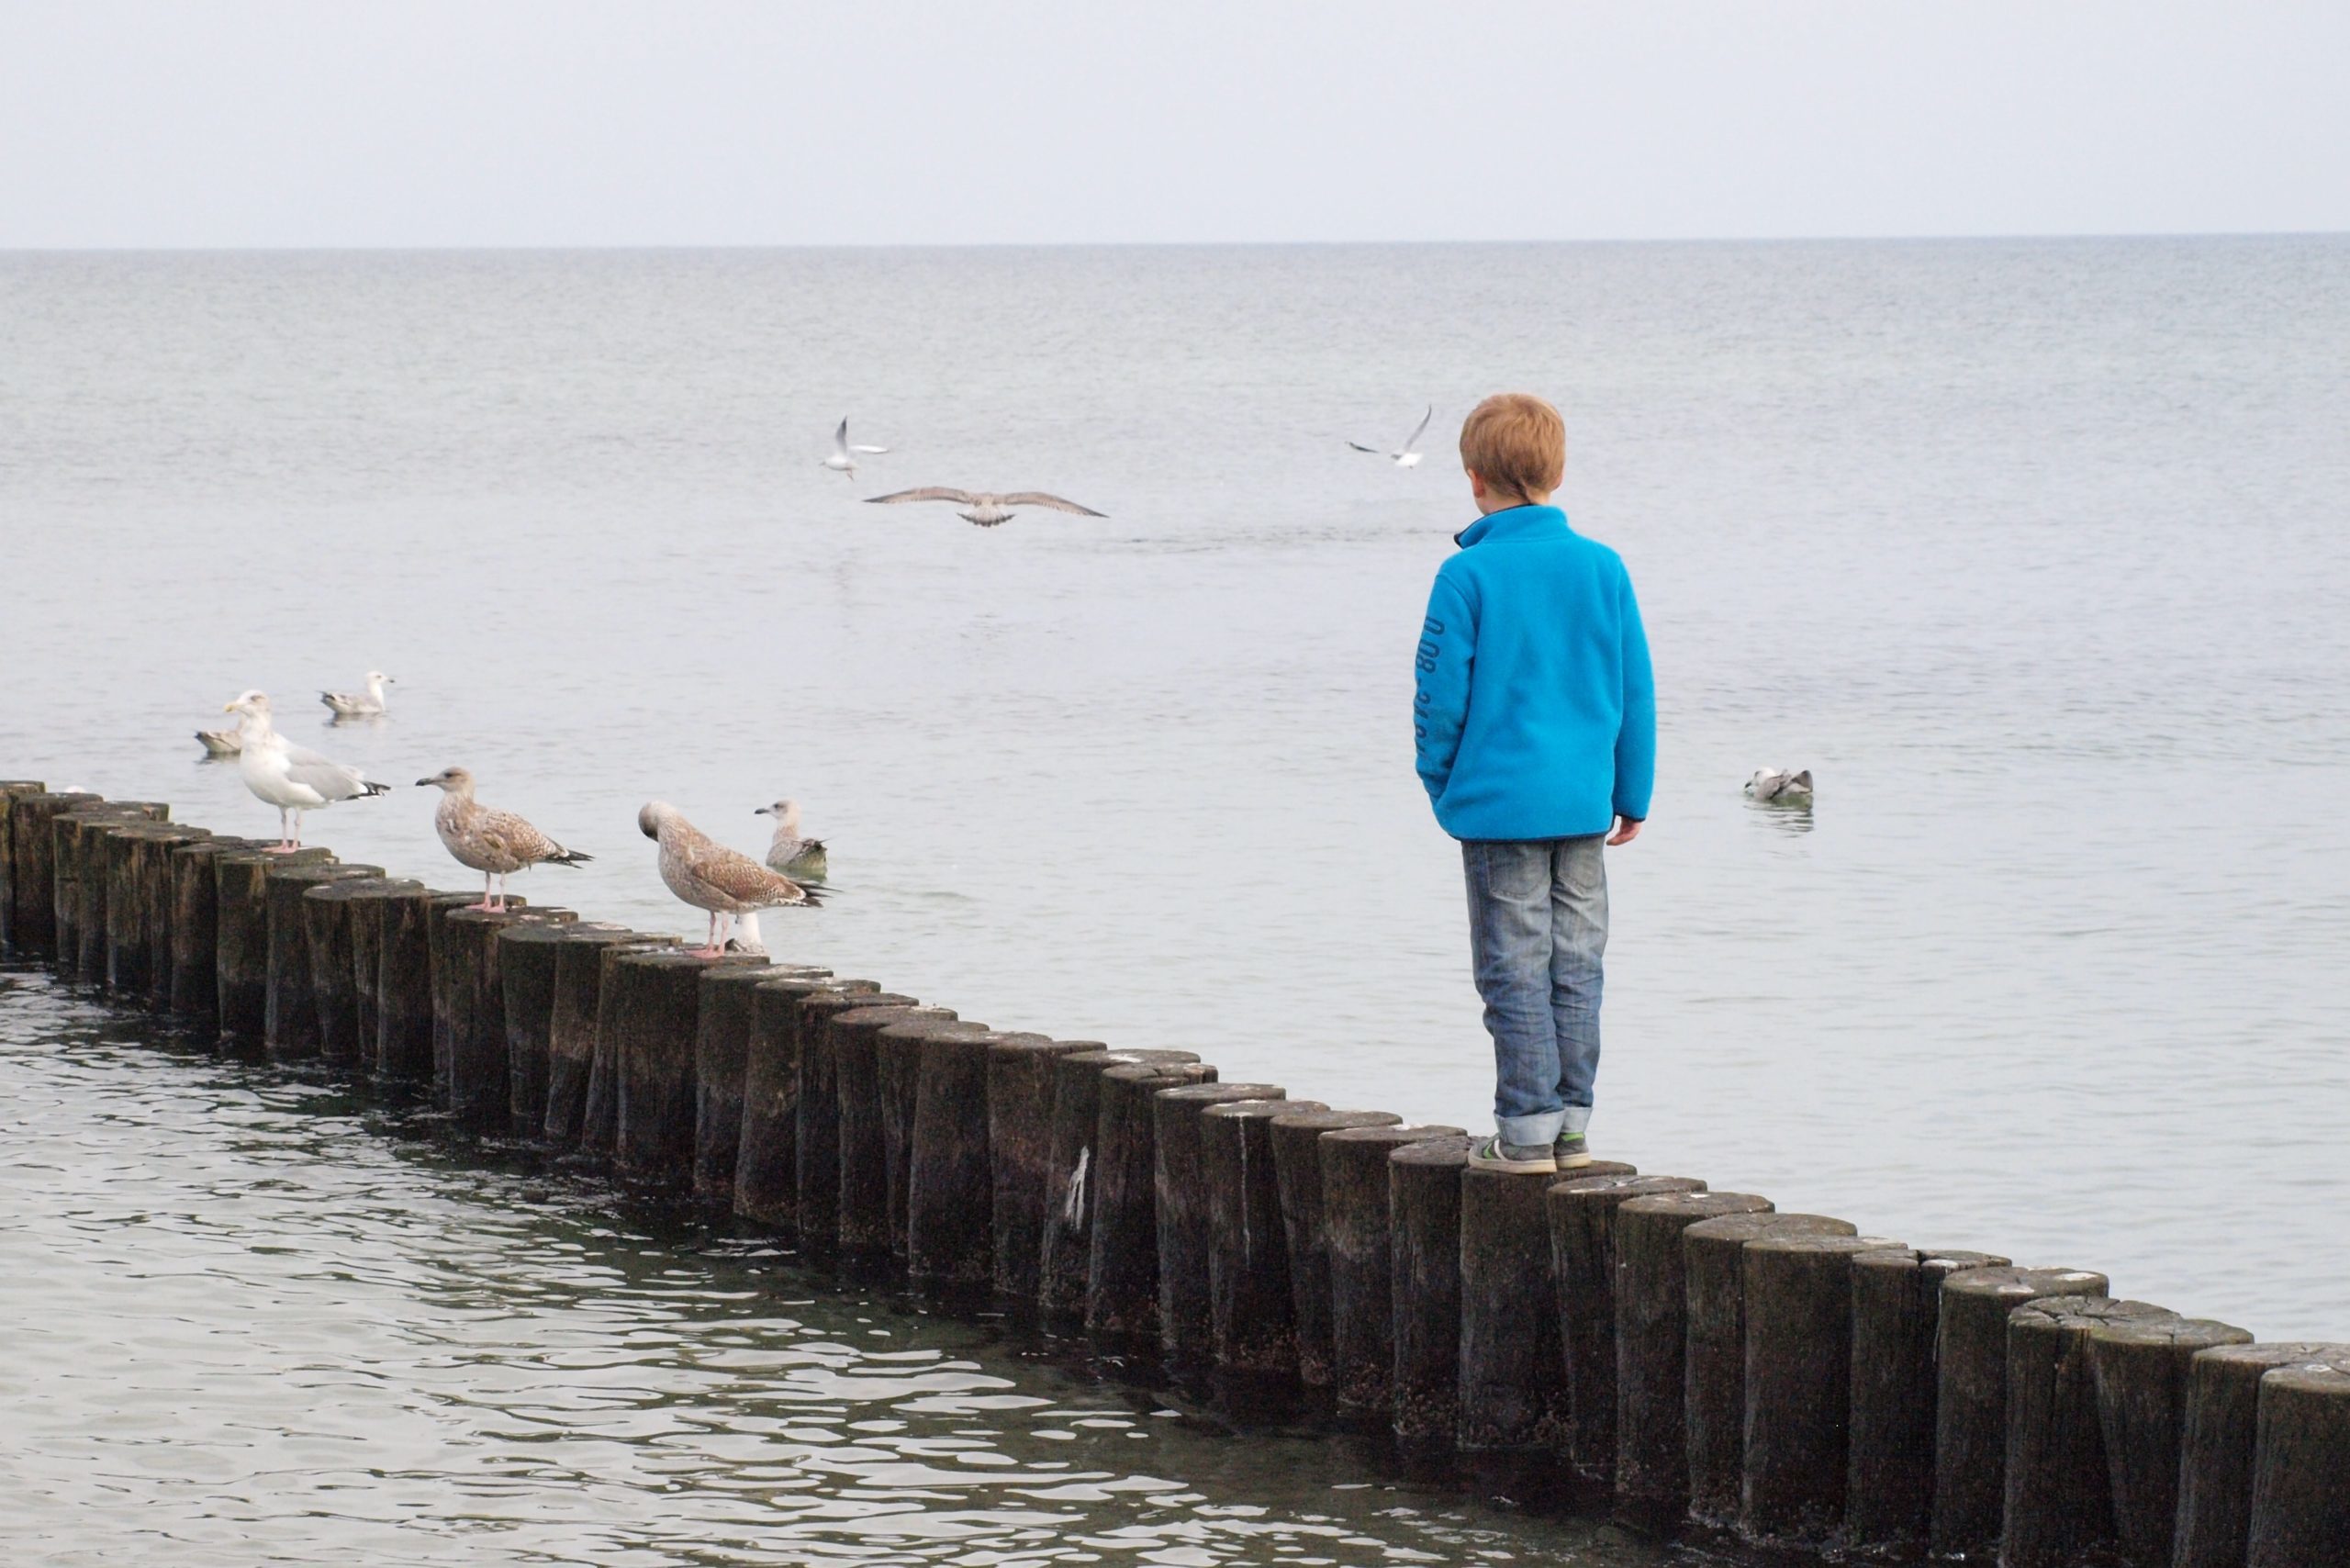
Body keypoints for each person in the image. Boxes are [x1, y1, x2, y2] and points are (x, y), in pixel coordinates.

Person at [1413, 392, 1655, 1173]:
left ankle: (1523, 1131)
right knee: (1576, 963)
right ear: (1556, 474)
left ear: (1475, 479)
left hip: (1497, 809)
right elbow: (1635, 688)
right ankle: (1573, 1128)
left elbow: (1436, 699)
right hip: (1583, 803)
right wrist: (1633, 791)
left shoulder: (1465, 574)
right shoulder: (1603, 567)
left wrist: (1443, 787)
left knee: (1512, 967)